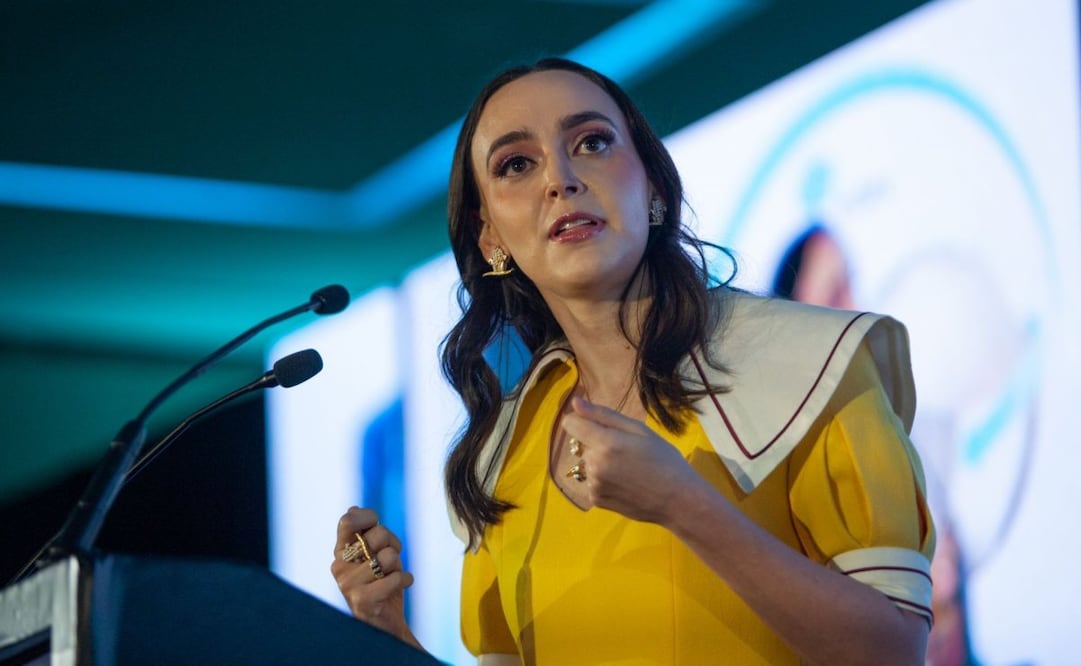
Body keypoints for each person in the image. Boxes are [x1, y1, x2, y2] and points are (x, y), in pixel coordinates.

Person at [331, 58, 935, 665]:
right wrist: (387, 636)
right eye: (517, 164)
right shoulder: (500, 455)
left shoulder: (813, 363)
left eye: (591, 142)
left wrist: (682, 505)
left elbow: (894, 653)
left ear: (651, 186)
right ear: (491, 239)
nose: (560, 180)